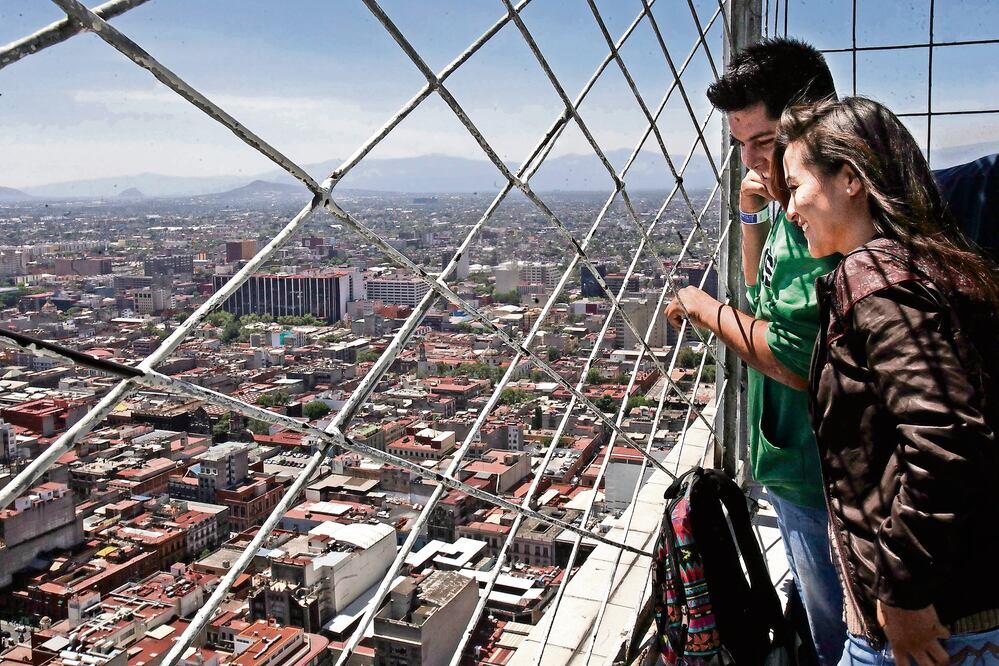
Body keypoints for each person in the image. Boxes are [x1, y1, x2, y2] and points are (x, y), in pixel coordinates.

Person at [770, 95, 999, 666]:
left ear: (850, 179)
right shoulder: (936, 259)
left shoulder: (874, 275)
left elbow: (947, 441)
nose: (789, 208)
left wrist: (900, 591)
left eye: (796, 187)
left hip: (925, 624)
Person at [665, 37, 847, 665]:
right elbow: (763, 296)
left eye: (764, 142)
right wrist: (750, 213)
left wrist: (701, 308)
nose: (750, 159)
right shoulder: (792, 203)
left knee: (835, 638)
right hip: (801, 459)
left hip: (813, 465)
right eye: (740, 144)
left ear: (815, 124)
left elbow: (794, 357)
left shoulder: (816, 217)